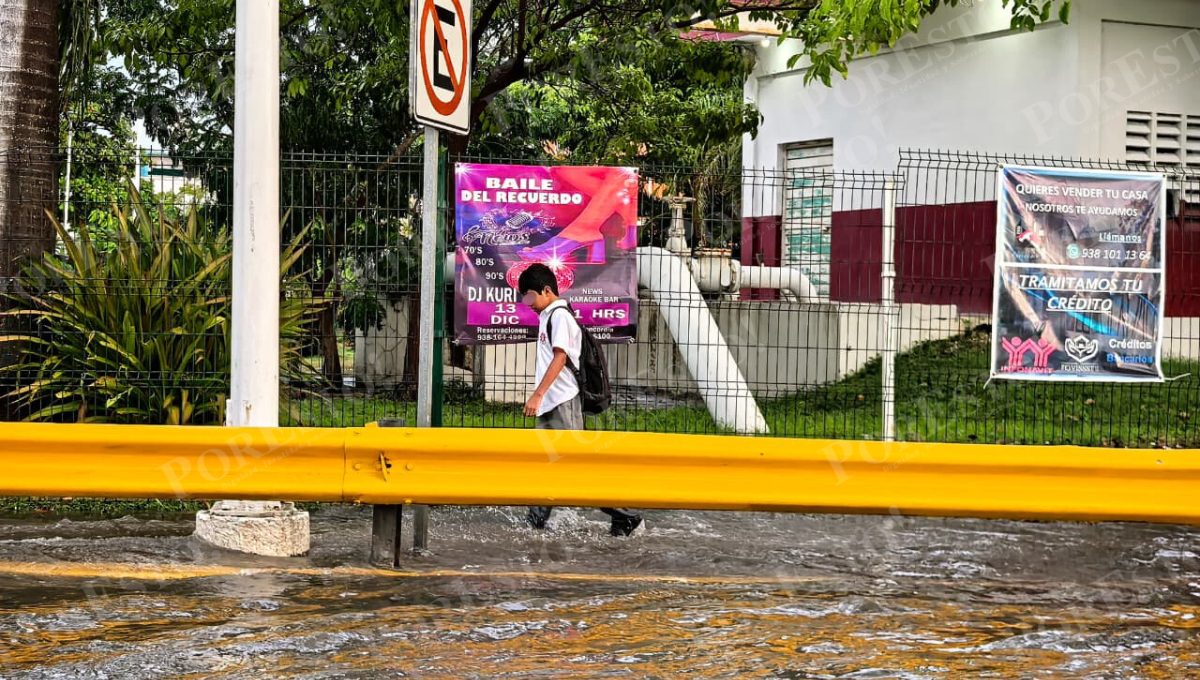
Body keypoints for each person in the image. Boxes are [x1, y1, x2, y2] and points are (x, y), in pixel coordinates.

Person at [517, 263, 644, 537]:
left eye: (529, 296)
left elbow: (560, 358)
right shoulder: (548, 315)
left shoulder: (559, 316)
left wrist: (537, 394)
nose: (528, 303)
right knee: (550, 465)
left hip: (561, 402)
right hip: (552, 404)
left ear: (547, 290)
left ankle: (627, 514)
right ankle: (535, 520)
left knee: (574, 469)